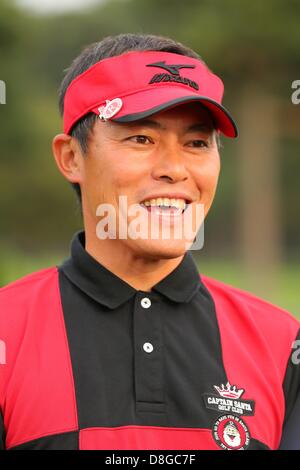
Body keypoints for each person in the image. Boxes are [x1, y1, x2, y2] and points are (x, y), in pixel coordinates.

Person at [0, 33, 299, 451]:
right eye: (141, 139)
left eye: (196, 143)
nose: (174, 169)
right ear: (71, 157)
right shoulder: (6, 333)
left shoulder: (283, 343)